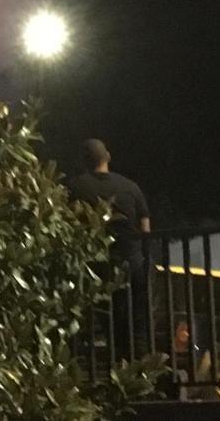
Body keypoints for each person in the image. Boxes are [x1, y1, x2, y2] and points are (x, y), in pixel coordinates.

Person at [70, 138, 151, 360]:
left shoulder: (76, 187)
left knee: (111, 322)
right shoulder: (130, 187)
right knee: (138, 324)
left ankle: (120, 372)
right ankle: (141, 376)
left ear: (84, 161)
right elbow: (145, 224)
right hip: (134, 263)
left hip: (100, 265)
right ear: (108, 157)